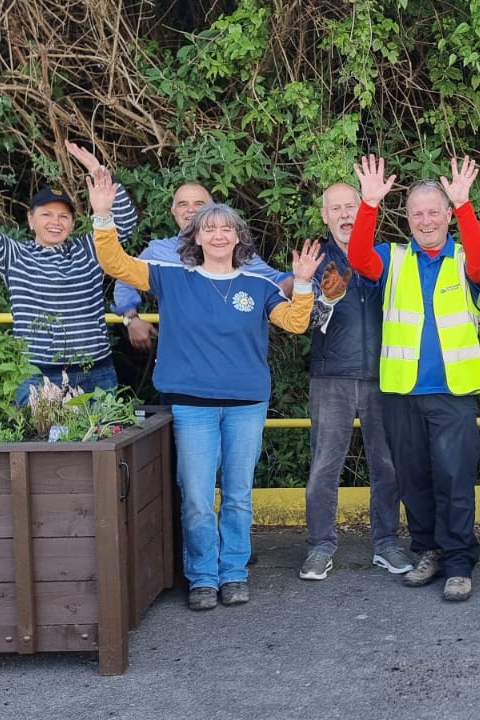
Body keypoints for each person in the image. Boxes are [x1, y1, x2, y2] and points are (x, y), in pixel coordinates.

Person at [86, 168, 322, 611]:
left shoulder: (259, 283)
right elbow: (115, 264)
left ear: (238, 238)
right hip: (191, 405)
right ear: (193, 238)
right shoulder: (169, 275)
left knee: (237, 494)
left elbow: (295, 322)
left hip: (246, 404)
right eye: (208, 228)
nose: (217, 235)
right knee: (195, 495)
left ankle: (233, 573)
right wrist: (103, 216)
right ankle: (201, 577)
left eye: (225, 228)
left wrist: (304, 283)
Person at [346, 154, 480, 602]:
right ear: (406, 218)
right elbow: (358, 257)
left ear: (447, 216)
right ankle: (428, 550)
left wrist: (465, 205)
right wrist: (368, 204)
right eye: (417, 213)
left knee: (454, 478)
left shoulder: (466, 257)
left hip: (453, 391)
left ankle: (459, 562)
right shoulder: (393, 258)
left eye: (435, 211)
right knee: (414, 480)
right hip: (401, 391)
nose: (426, 220)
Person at [0, 129, 138, 403]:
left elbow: (125, 221)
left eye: (64, 216)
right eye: (46, 214)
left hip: (95, 373)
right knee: (41, 445)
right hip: (37, 375)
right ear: (30, 220)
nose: (56, 221)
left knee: (101, 443)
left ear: (73, 223)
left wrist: (98, 171)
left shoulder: (89, 249)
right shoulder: (15, 255)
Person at [297, 182, 416, 580]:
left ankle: (386, 543)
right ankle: (319, 547)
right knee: (323, 468)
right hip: (331, 376)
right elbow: (302, 324)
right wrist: (325, 300)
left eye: (352, 206)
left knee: (388, 466)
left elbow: (421, 308)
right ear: (325, 216)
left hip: (385, 374)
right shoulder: (313, 259)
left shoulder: (389, 257)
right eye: (337, 208)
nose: (346, 214)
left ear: (368, 211)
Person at [112, 182, 294, 353]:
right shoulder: (158, 252)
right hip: (179, 359)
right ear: (173, 211)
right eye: (183, 204)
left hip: (228, 355)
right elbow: (124, 279)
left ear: (213, 210)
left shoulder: (234, 250)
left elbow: (278, 283)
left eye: (199, 203)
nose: (191, 210)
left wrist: (302, 280)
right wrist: (131, 319)